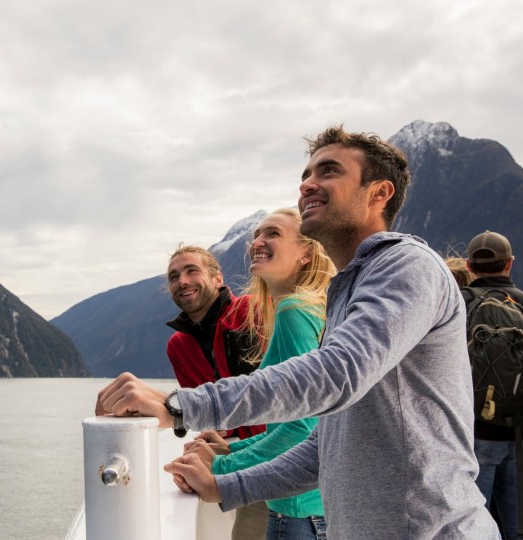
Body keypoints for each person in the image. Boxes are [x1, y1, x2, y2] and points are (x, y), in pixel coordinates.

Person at [95, 126, 499, 539]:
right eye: (306, 175)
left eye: (328, 171)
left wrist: (181, 406)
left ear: (379, 193)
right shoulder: (347, 295)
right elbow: (327, 446)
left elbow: (336, 373)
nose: (307, 184)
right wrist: (226, 486)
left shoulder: (406, 266)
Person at [185, 208, 334, 539]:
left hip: (297, 510)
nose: (257, 242)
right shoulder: (313, 308)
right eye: (256, 236)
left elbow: (302, 426)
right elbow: (295, 422)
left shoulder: (294, 312)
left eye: (273, 234)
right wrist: (232, 449)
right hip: (317, 507)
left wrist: (221, 469)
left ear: (307, 254)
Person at [165, 244, 266, 539]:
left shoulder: (252, 312)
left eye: (191, 271)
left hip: (281, 452)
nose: (182, 281)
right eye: (174, 276)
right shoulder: (178, 347)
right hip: (244, 459)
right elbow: (210, 413)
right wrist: (214, 443)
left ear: (217, 278)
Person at [463, 231, 523, 540]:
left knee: (472, 526)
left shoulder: (460, 302)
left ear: (469, 266)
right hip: (517, 434)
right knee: (515, 528)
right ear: (510, 264)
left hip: (474, 433)